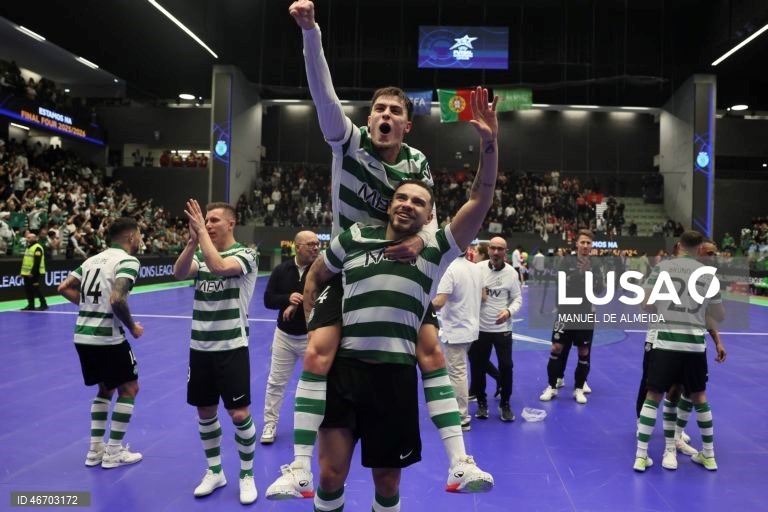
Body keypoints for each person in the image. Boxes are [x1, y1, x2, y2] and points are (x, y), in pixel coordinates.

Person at [266, 0, 492, 500]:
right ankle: (299, 466)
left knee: (431, 351)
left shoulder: (417, 165)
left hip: (394, 278)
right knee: (319, 354)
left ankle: (459, 462)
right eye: (379, 109)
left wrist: (417, 242)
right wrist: (311, 33)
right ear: (368, 119)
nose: (385, 116)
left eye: (395, 111)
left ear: (407, 125)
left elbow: (433, 219)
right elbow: (324, 98)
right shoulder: (347, 144)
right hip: (349, 266)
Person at [298, 85, 499, 511]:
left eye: (419, 201)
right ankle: (298, 467)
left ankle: (459, 461)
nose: (407, 203)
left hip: (393, 378)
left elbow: (479, 201)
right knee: (330, 473)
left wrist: (489, 143)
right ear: (389, 204)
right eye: (401, 197)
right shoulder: (354, 238)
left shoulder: (432, 249)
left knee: (388, 481)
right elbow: (319, 270)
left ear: (430, 216)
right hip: (347, 372)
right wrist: (311, 295)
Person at [173, 200, 259, 505]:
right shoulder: (200, 252)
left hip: (232, 347)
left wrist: (203, 240)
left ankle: (247, 474)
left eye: (213, 220)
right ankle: (215, 471)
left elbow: (220, 267)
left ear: (231, 224)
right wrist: (192, 242)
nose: (208, 224)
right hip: (200, 348)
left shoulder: (245, 255)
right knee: (205, 411)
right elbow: (179, 273)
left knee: (239, 413)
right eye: (205, 220)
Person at [633, 230, 725, 472]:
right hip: (694, 345)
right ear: (699, 248)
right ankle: (709, 456)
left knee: (654, 395)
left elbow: (646, 304)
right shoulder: (708, 276)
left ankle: (641, 456)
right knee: (699, 398)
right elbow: (719, 315)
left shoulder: (664, 268)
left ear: (680, 245)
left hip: (667, 342)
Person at [56, 218, 144, 469]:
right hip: (108, 337)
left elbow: (63, 288)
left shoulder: (92, 260)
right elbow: (117, 299)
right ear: (130, 238)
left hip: (83, 336)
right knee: (129, 389)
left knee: (105, 389)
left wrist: (89, 307)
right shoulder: (128, 261)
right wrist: (133, 327)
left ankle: (95, 449)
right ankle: (114, 452)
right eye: (139, 235)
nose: (140, 240)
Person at [260, 230, 320, 444]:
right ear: (298, 246)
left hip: (312, 337)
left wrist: (301, 302)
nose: (316, 247)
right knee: (275, 383)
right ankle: (270, 424)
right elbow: (268, 300)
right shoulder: (281, 270)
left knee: (317, 383)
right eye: (310, 244)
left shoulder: (323, 270)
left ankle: (319, 424)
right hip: (284, 336)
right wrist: (287, 298)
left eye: (317, 243)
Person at [540, 230, 603, 404]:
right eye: (582, 242)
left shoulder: (597, 263)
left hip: (585, 314)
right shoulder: (566, 261)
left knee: (584, 351)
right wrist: (579, 274)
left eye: (588, 243)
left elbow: (599, 290)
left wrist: (595, 277)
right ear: (577, 244)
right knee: (556, 348)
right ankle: (551, 386)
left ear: (592, 246)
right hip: (566, 312)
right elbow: (561, 283)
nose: (585, 246)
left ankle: (579, 388)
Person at [469, 236, 522, 422]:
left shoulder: (511, 273)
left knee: (506, 366)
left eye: (500, 249)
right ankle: (482, 402)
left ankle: (505, 403)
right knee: (478, 366)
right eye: (493, 248)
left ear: (505, 252)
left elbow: (517, 299)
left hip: (503, 330)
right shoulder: (477, 269)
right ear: (488, 249)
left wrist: (508, 311)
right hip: (480, 329)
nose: (496, 252)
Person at [432, 252, 483, 431]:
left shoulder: (450, 270)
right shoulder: (475, 268)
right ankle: (460, 411)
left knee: (457, 373)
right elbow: (484, 297)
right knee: (459, 371)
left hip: (456, 330)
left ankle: (462, 417)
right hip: (470, 328)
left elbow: (439, 302)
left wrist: (418, 305)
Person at [20, 231, 48, 310]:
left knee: (35, 289)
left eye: (29, 238)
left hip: (34, 273)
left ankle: (44, 304)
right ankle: (31, 305)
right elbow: (26, 261)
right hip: (26, 273)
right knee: (28, 289)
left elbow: (37, 262)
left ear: (34, 238)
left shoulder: (37, 247)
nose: (27, 239)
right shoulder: (28, 247)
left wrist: (32, 272)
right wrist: (22, 273)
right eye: (27, 237)